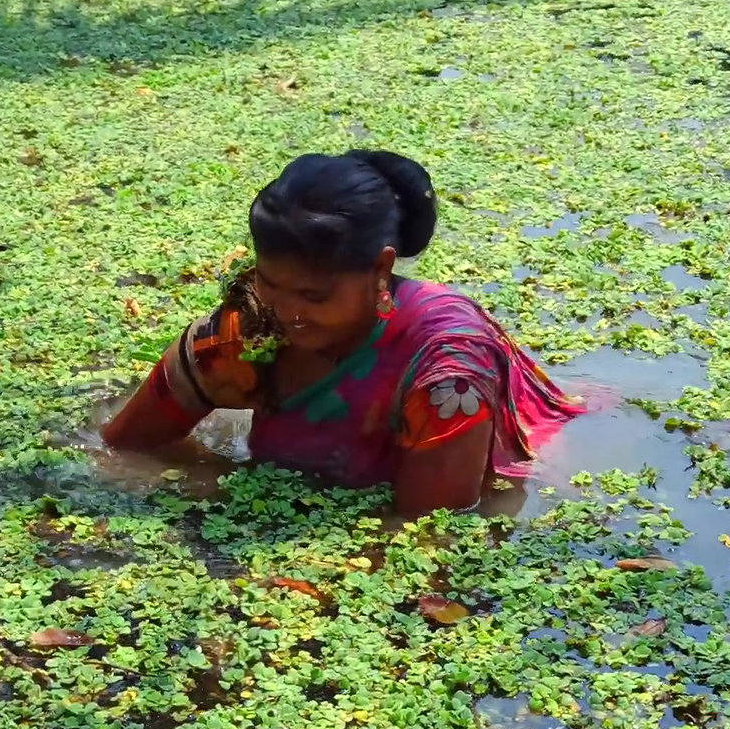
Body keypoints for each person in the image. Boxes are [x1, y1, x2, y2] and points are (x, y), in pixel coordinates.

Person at [101, 150, 588, 515]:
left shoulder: (448, 370)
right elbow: (123, 448)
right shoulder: (246, 329)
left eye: (314, 296)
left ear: (381, 269)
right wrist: (213, 484)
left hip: (526, 470)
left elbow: (431, 532)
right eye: (271, 285)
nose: (287, 313)